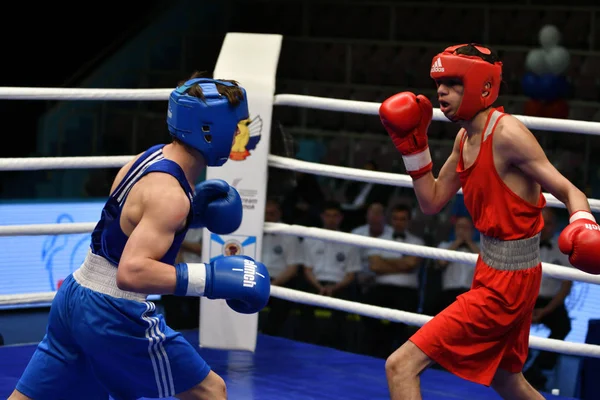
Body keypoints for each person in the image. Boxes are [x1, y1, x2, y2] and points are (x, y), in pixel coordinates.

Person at [9, 73, 271, 400]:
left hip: (76, 295)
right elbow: (131, 271)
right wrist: (210, 278)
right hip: (112, 309)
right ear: (209, 129)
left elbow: (124, 227)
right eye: (234, 125)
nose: (237, 134)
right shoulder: (170, 196)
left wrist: (192, 216)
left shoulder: (151, 158)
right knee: (210, 391)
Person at [378, 43, 600, 400]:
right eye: (439, 83)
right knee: (506, 379)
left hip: (508, 284)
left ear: (483, 86)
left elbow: (570, 190)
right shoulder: (464, 137)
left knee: (400, 365)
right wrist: (413, 150)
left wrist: (584, 223)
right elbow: (432, 202)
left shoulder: (508, 135)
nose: (441, 91)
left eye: (452, 83)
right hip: (495, 270)